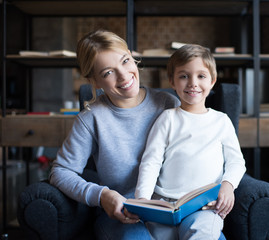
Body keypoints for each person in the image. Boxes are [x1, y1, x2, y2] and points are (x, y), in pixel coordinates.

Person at [49, 29, 180, 240]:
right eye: (108, 72)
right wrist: (102, 195)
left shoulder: (169, 104)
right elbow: (60, 172)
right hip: (125, 217)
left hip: (174, 210)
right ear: (95, 81)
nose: (123, 75)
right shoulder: (91, 118)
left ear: (132, 55)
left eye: (125, 61)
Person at [134, 44, 247, 240]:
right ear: (172, 81)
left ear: (212, 81)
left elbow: (236, 162)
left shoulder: (221, 121)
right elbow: (151, 161)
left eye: (201, 76)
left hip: (204, 206)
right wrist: (142, 199)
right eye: (184, 76)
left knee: (203, 234)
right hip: (165, 205)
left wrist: (228, 185)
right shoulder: (167, 119)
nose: (192, 83)